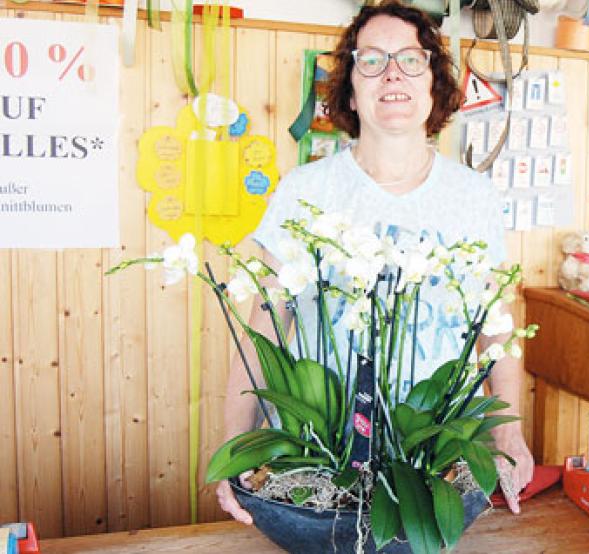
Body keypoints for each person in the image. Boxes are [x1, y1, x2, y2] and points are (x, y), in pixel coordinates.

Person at [216, 0, 534, 523]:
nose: (392, 74)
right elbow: (264, 333)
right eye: (372, 60)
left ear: (434, 83)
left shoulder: (473, 196)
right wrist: (236, 446)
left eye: (411, 59)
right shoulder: (305, 192)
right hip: (320, 456)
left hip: (436, 454)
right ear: (350, 88)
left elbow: (496, 329)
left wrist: (510, 431)